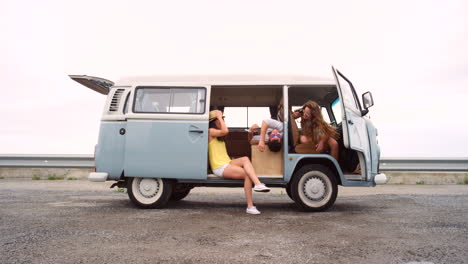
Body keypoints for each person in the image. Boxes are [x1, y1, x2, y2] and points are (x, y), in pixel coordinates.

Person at [208, 110, 270, 215]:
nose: (222, 120)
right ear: (214, 121)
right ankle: (250, 206)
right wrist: (218, 116)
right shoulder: (210, 131)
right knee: (247, 174)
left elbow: (224, 130)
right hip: (220, 167)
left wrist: (220, 118)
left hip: (227, 162)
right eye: (220, 119)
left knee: (245, 158)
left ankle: (258, 184)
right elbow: (225, 131)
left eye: (223, 118)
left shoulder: (217, 134)